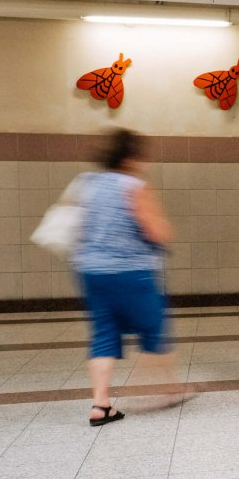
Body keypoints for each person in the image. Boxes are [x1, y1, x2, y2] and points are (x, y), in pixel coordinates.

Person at [72, 128, 178, 426]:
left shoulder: (88, 183)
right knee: (154, 327)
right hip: (130, 271)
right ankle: (169, 389)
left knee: (104, 334)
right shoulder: (132, 185)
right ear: (131, 157)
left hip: (91, 271)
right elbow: (157, 231)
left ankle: (101, 405)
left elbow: (79, 228)